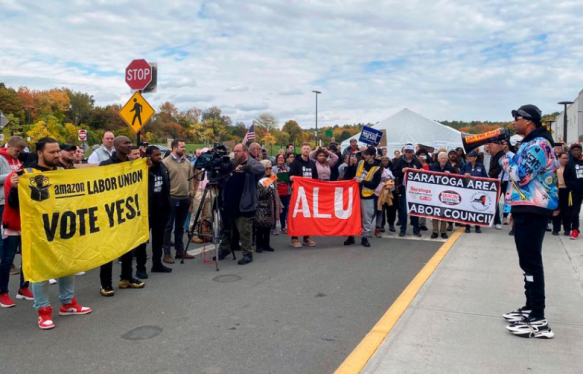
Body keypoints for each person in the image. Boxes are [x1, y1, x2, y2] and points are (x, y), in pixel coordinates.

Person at [5, 137, 91, 328]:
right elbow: (13, 204)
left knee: (66, 266)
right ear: (40, 153)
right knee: (41, 272)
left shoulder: (61, 172)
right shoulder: (27, 174)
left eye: (57, 151)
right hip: (37, 233)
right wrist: (16, 188)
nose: (56, 155)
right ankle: (43, 311)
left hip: (62, 229)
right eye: (52, 152)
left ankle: (68, 303)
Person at [491, 105, 558, 339]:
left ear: (528, 121)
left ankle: (539, 319)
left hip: (534, 209)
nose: (513, 122)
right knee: (526, 262)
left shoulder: (539, 145)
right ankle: (531, 308)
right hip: (526, 207)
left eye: (517, 118)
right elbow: (520, 183)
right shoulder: (531, 143)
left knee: (531, 263)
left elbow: (520, 175)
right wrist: (512, 208)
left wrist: (504, 154)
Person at [99, 137, 146, 297]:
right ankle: (106, 284)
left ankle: (126, 277)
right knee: (109, 250)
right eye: (125, 143)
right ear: (116, 145)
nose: (129, 145)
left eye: (129, 143)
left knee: (128, 245)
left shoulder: (132, 165)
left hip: (128, 212)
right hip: (110, 213)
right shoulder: (106, 165)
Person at [215, 144, 264, 265]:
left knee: (244, 230)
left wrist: (245, 167)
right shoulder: (233, 162)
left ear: (245, 151)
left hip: (245, 204)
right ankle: (224, 249)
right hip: (229, 202)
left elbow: (261, 169)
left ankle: (247, 254)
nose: (235, 153)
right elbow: (223, 172)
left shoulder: (252, 163)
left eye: (237, 151)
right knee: (226, 228)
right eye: (234, 151)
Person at [163, 139, 195, 263]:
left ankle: (180, 250)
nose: (184, 149)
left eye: (184, 146)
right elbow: (164, 182)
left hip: (184, 198)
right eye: (182, 147)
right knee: (168, 226)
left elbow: (191, 179)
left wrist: (191, 192)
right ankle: (166, 254)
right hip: (171, 198)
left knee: (180, 226)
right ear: (174, 148)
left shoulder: (187, 162)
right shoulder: (165, 162)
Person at [345, 146, 382, 248]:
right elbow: (350, 175)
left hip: (367, 196)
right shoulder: (360, 163)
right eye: (364, 154)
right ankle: (351, 236)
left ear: (372, 156)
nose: (364, 156)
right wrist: (351, 165)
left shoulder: (377, 168)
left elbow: (374, 184)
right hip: (355, 194)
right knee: (352, 216)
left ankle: (364, 237)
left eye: (366, 154)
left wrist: (362, 181)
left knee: (367, 218)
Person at [0, 137, 26, 282]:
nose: (18, 154)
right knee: (5, 237)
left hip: (17, 201)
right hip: (2, 201)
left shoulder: (18, 160)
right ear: (9, 146)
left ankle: (24, 288)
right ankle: (7, 264)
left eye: (20, 151)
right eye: (16, 151)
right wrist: (12, 176)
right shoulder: (1, 158)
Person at [145, 146, 173, 273]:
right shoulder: (144, 169)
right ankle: (141, 267)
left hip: (161, 208)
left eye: (159, 154)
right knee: (143, 240)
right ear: (149, 156)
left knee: (158, 238)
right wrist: (148, 168)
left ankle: (157, 264)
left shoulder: (162, 167)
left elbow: (167, 184)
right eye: (156, 155)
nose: (159, 157)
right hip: (148, 208)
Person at [289, 143, 318, 248]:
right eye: (304, 148)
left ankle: (306, 236)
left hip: (309, 194)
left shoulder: (312, 163)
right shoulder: (296, 162)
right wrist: (292, 178)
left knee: (308, 216)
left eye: (308, 149)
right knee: (297, 215)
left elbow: (315, 178)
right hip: (298, 193)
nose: (306, 150)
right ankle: (294, 237)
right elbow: (290, 176)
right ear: (301, 150)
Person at [394, 144, 423, 237]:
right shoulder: (399, 161)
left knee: (414, 210)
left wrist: (420, 170)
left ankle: (416, 229)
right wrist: (401, 171)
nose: (408, 153)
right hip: (404, 189)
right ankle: (403, 229)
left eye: (410, 151)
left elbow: (422, 173)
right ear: (404, 151)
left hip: (414, 189)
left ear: (413, 152)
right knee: (403, 211)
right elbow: (394, 172)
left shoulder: (417, 161)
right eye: (406, 151)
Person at [256, 160, 282, 253]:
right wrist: (269, 183)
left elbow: (276, 192)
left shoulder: (272, 177)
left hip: (270, 205)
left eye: (270, 168)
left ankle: (266, 244)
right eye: (266, 168)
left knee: (268, 226)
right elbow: (259, 193)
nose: (268, 170)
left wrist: (279, 205)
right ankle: (259, 245)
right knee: (260, 227)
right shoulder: (258, 178)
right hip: (260, 205)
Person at [429, 152, 455, 239]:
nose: (443, 160)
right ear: (438, 159)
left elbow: (455, 179)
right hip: (435, 192)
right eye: (442, 158)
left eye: (445, 158)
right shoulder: (432, 166)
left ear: (447, 159)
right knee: (435, 212)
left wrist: (450, 174)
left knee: (444, 212)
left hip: (445, 193)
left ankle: (443, 231)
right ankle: (435, 231)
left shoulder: (450, 167)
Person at [462, 150, 488, 234]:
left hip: (477, 190)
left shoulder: (481, 166)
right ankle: (467, 226)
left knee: (477, 208)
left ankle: (477, 226)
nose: (469, 158)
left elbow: (485, 177)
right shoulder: (465, 166)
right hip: (468, 190)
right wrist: (465, 176)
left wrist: (472, 176)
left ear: (475, 158)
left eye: (471, 156)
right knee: (468, 208)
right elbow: (460, 175)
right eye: (468, 156)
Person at [564, 142, 583, 240]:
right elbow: (566, 177)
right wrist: (570, 187)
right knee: (574, 212)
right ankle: (575, 230)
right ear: (571, 151)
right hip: (575, 192)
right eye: (574, 150)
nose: (576, 152)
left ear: (581, 150)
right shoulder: (569, 164)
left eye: (578, 150)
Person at [374, 157, 397, 236]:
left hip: (391, 191)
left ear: (389, 161)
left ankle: (391, 224)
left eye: (386, 160)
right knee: (382, 209)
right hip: (381, 192)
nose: (385, 161)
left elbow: (395, 177)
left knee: (391, 209)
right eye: (383, 160)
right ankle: (381, 225)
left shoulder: (392, 168)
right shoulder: (379, 169)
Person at [552, 152, 571, 236]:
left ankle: (567, 229)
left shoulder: (570, 168)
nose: (565, 160)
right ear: (559, 158)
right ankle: (556, 229)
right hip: (557, 190)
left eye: (567, 158)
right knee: (556, 210)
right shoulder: (555, 168)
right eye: (563, 158)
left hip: (568, 191)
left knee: (567, 211)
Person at [273, 154, 291, 234]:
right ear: (276, 159)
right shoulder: (273, 169)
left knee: (284, 209)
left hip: (286, 191)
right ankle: (273, 227)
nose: (280, 159)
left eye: (282, 158)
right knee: (275, 209)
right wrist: (277, 177)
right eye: (279, 158)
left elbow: (291, 179)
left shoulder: (288, 169)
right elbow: (270, 179)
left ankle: (283, 227)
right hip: (276, 191)